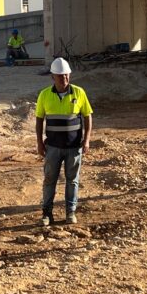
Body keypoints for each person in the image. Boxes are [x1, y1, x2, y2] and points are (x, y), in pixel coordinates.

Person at [35, 57, 93, 226]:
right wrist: (39, 142)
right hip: (52, 147)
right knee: (49, 180)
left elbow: (88, 117)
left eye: (66, 75)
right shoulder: (44, 95)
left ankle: (70, 212)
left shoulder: (79, 92)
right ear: (53, 76)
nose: (64, 79)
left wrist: (87, 140)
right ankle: (47, 214)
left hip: (74, 147)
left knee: (72, 180)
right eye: (60, 76)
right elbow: (39, 120)